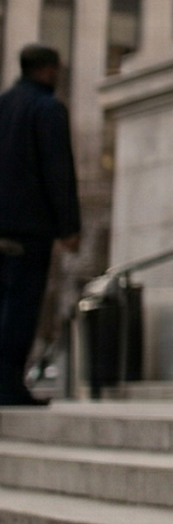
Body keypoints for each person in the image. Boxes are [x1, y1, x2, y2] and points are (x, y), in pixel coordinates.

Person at [0, 45, 82, 406]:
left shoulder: (3, 104)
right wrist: (69, 227)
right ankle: (8, 384)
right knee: (19, 309)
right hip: (27, 230)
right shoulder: (47, 109)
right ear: (48, 70)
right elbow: (57, 171)